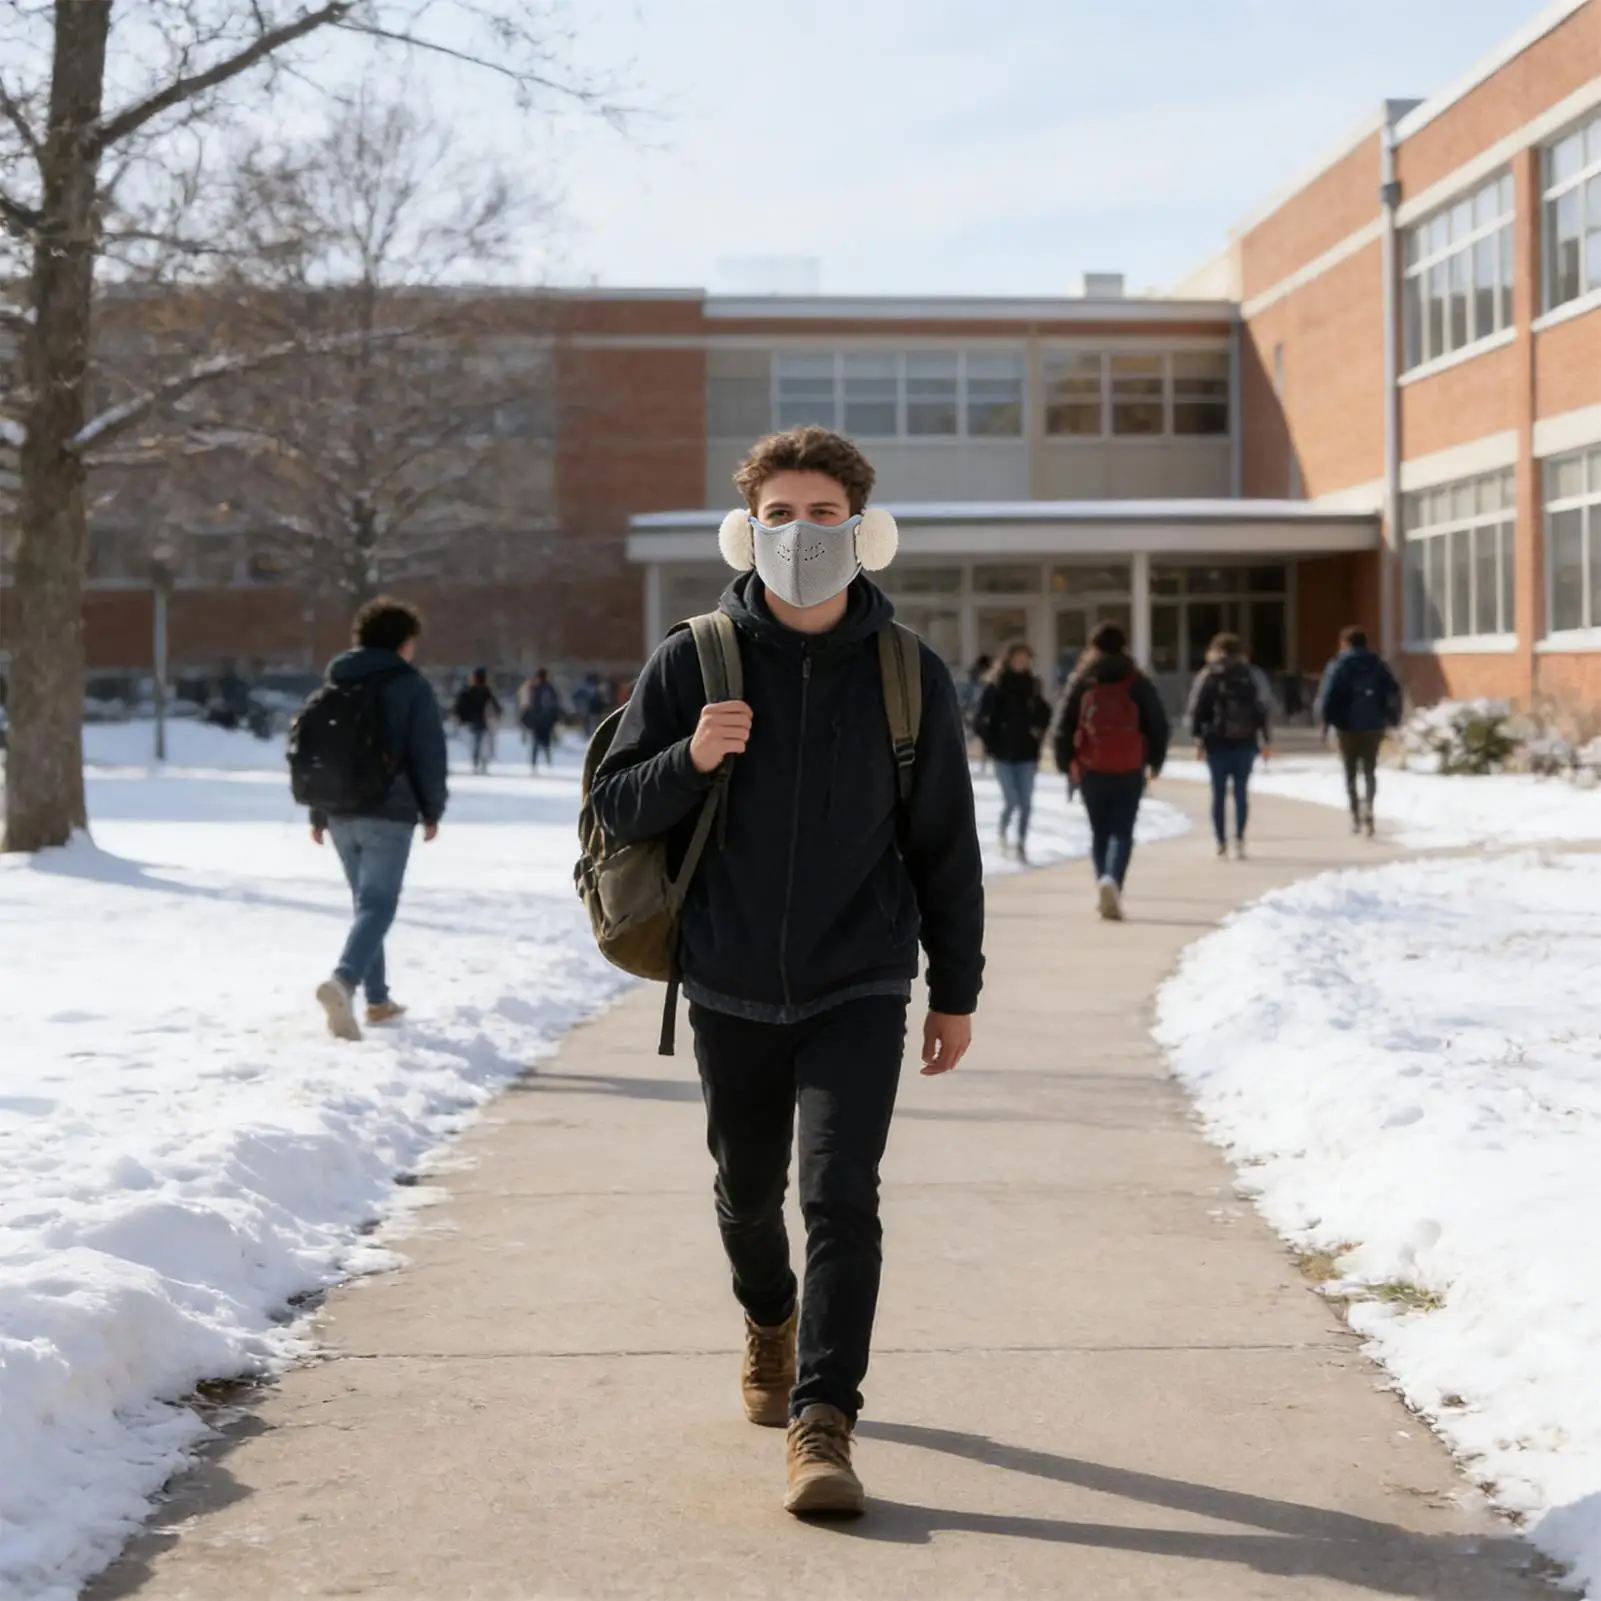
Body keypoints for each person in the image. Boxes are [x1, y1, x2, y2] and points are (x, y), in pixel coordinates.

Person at [590, 425, 984, 1519]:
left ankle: (824, 1420)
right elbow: (616, 805)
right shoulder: (695, 659)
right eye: (778, 514)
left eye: (821, 514)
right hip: (725, 981)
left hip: (859, 978)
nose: (800, 533)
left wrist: (954, 987)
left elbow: (945, 845)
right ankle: (767, 1316)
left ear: (863, 529)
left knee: (839, 1196)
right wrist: (691, 755)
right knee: (747, 1195)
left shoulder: (909, 673)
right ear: (744, 525)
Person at [305, 597, 448, 1041]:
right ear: (404, 643)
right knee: (377, 905)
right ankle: (345, 981)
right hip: (390, 809)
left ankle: (378, 1000)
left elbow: (321, 750)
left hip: (339, 810)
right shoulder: (411, 686)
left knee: (367, 905)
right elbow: (428, 753)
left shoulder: (337, 680)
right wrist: (432, 808)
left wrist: (317, 810)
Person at [1052, 622, 1169, 921]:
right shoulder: (1136, 680)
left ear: (1094, 646)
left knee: (1099, 830)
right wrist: (1155, 760)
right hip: (1129, 766)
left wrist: (1065, 762)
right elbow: (1158, 722)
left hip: (1092, 767)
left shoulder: (1084, 680)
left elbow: (1064, 724)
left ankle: (1102, 880)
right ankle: (1113, 880)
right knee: (1122, 829)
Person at [1188, 633, 1273, 859]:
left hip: (1216, 742)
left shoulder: (1208, 675)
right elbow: (1263, 708)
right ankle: (1240, 838)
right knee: (1241, 793)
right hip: (1245, 742)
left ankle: (1221, 841)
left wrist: (1197, 739)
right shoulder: (1252, 675)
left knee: (1218, 794)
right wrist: (1266, 739)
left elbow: (1197, 709)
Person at [1318, 625, 1402, 838]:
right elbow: (1393, 691)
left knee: (1350, 772)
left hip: (1346, 726)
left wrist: (1325, 722)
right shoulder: (1377, 664)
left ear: (1345, 643)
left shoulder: (1338, 665)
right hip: (1374, 724)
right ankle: (1369, 810)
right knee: (1370, 771)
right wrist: (1392, 718)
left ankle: (1356, 815)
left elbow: (1328, 695)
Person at [973, 642, 1052, 862]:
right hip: (1003, 753)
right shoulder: (996, 685)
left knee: (1026, 802)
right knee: (1012, 800)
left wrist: (1037, 729)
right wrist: (991, 741)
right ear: (1008, 660)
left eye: (1025, 659)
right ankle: (1003, 832)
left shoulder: (1033, 685)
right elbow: (980, 718)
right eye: (1018, 658)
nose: (1022, 662)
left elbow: (1045, 712)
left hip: (1027, 752)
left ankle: (1021, 843)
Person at [454, 667, 501, 774]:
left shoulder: (470, 690)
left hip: (472, 720)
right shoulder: (485, 690)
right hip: (482, 719)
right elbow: (494, 703)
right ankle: (482, 763)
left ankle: (476, 762)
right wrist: (498, 712)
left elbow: (461, 704)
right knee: (482, 742)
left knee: (477, 742)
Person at [518, 668, 563, 768]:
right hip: (541, 719)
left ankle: (542, 762)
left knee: (542, 741)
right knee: (539, 741)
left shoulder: (542, 688)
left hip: (542, 719)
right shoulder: (538, 688)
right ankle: (539, 762)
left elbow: (554, 703)